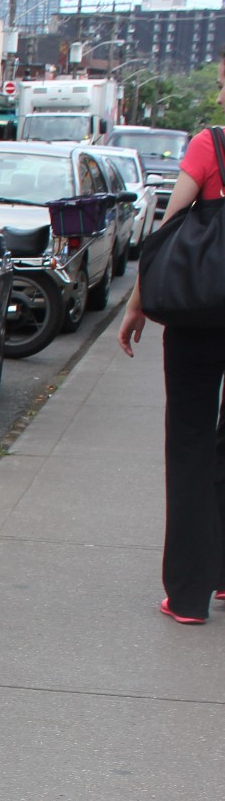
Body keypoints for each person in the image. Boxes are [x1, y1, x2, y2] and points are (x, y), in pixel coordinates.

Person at [118, 56, 225, 624]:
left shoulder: (212, 145)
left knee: (189, 442)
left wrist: (138, 302)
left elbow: (170, 229)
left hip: (200, 314)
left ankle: (188, 595)